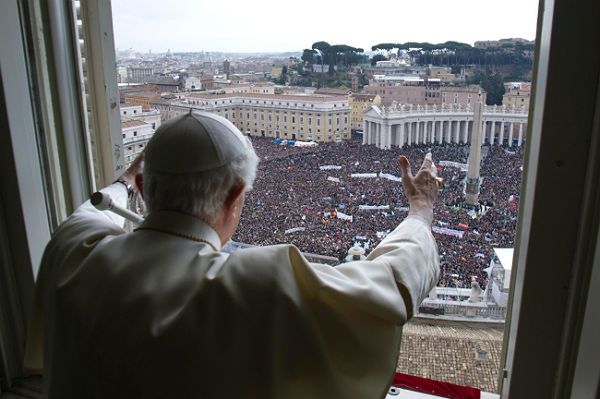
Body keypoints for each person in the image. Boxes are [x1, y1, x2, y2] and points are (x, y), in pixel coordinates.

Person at [24, 111, 440, 398]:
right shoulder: (258, 284)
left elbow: (87, 213)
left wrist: (123, 182)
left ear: (146, 189)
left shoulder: (72, 252)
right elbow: (393, 285)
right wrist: (420, 210)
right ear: (235, 196)